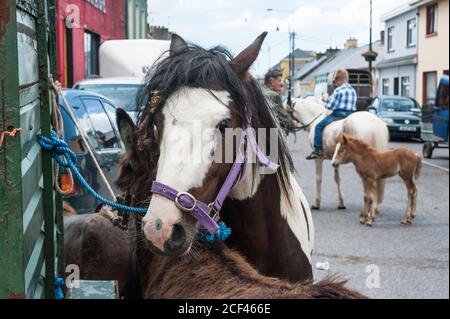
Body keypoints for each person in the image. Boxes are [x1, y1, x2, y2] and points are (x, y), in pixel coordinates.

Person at [306, 69, 357, 160]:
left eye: (336, 81)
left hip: (338, 114)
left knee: (318, 126)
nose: (335, 84)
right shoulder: (352, 90)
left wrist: (324, 101)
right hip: (351, 115)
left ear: (340, 80)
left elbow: (331, 106)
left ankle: (317, 150)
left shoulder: (338, 90)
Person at [262, 69, 296, 135]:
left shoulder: (261, 91)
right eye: (279, 80)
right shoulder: (273, 96)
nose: (282, 84)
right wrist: (293, 123)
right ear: (272, 82)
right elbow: (284, 119)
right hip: (272, 136)